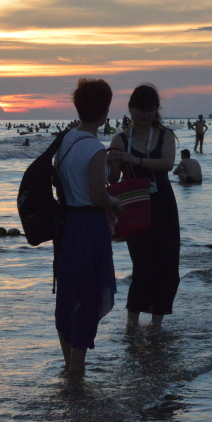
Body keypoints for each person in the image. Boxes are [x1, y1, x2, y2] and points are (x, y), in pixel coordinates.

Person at [54, 78, 121, 376]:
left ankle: (69, 363)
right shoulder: (95, 148)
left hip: (66, 224)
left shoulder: (66, 140)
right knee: (89, 295)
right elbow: (97, 195)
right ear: (105, 110)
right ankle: (77, 368)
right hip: (88, 227)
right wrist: (114, 203)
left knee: (68, 295)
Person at [108, 84, 179, 333]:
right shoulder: (120, 138)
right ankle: (132, 321)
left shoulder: (165, 135)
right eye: (139, 109)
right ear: (130, 108)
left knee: (168, 265)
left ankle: (156, 323)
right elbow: (113, 179)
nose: (144, 114)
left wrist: (136, 160)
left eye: (149, 109)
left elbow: (168, 164)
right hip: (134, 207)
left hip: (163, 205)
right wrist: (114, 161)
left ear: (156, 110)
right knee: (142, 266)